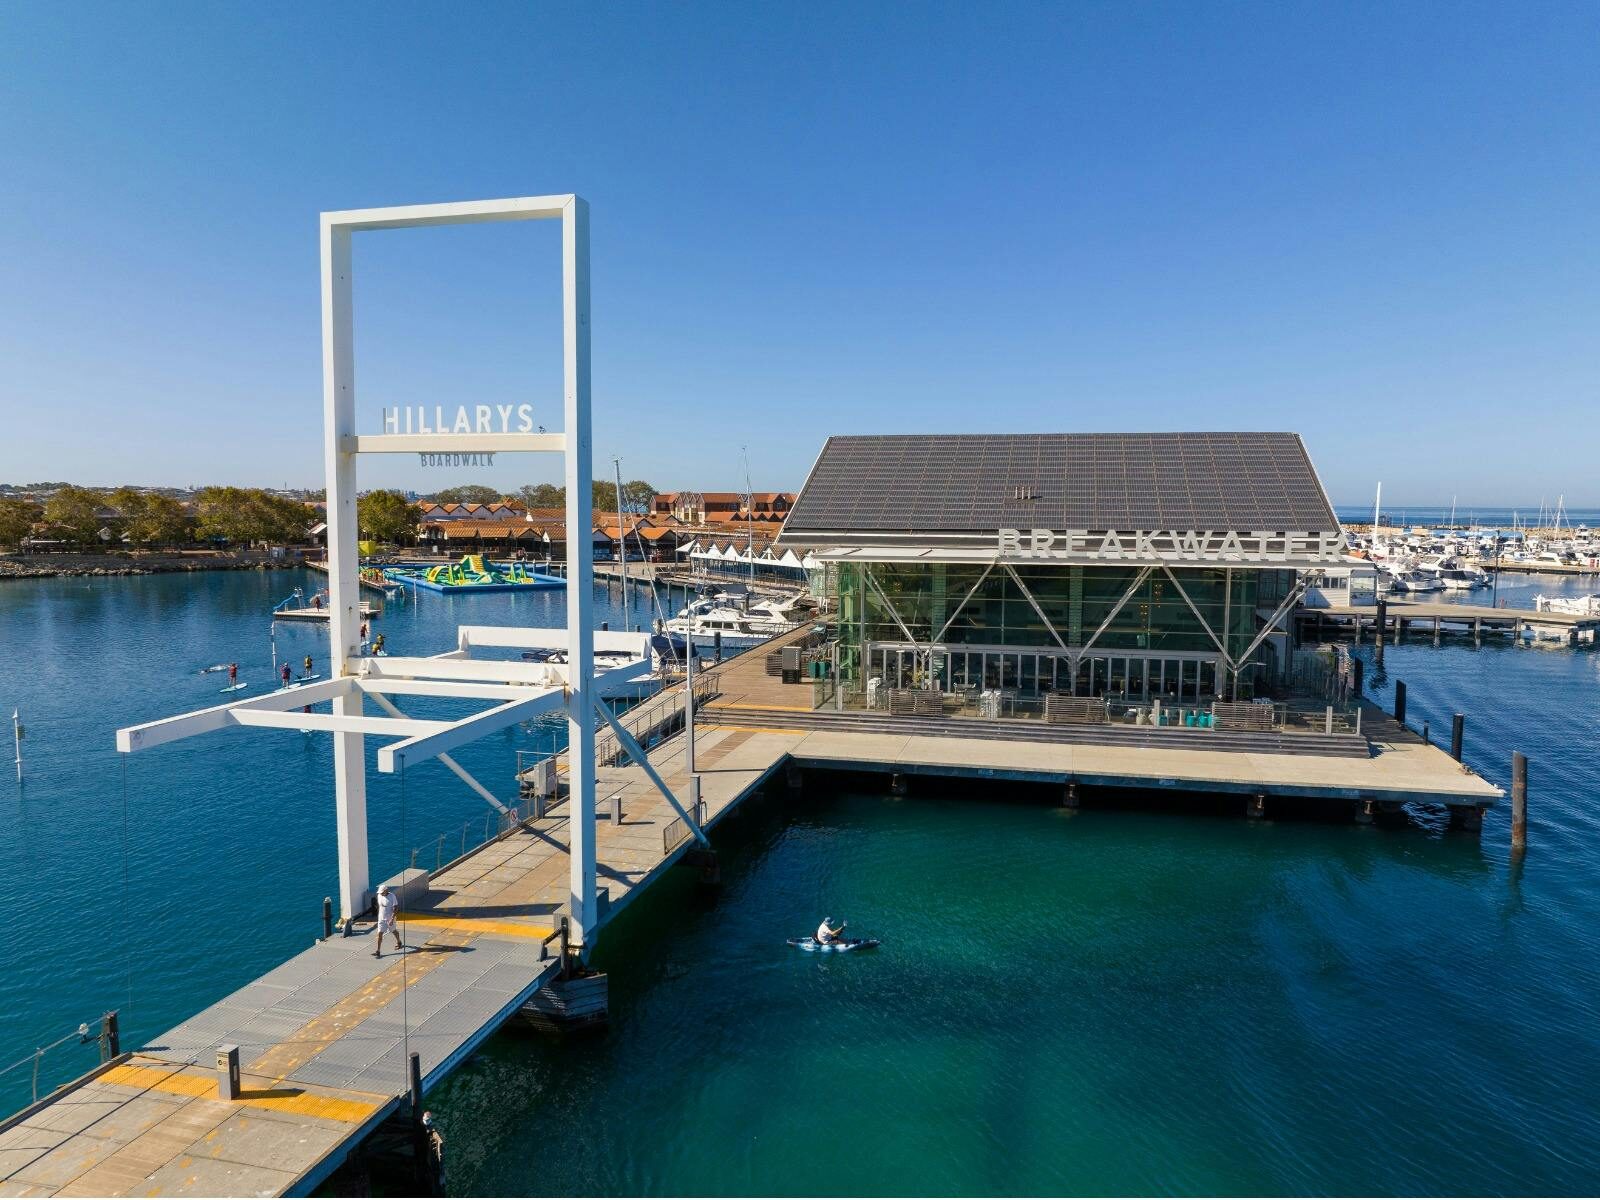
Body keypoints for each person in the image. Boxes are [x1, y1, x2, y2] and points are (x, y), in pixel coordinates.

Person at [374, 884, 402, 957]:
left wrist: (392, 919)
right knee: (379, 933)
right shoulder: (379, 895)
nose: (381, 893)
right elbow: (379, 906)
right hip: (381, 918)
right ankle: (378, 950)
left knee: (394, 931)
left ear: (386, 890)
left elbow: (395, 908)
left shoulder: (392, 896)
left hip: (390, 919)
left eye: (382, 892)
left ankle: (399, 942)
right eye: (380, 892)